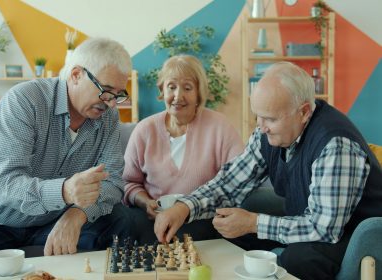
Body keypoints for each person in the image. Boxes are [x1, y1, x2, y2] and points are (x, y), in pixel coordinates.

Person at [154, 62, 382, 279]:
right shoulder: (269, 131)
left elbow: (323, 229)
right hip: (311, 226)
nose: (261, 127)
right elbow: (230, 183)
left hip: (353, 237)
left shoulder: (335, 145)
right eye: (258, 116)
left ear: (303, 112)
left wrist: (253, 223)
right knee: (229, 233)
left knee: (298, 259)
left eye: (270, 118)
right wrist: (184, 207)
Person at [0, 37, 133, 264]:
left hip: (54, 219)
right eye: (106, 90)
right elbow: (5, 183)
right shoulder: (25, 101)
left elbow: (112, 184)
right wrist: (64, 191)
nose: (111, 103)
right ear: (75, 75)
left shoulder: (108, 116)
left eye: (118, 94)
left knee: (121, 220)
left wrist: (77, 214)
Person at [122, 54, 244, 243]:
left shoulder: (220, 127)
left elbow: (238, 181)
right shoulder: (145, 130)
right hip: (153, 220)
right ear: (162, 90)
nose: (178, 96)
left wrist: (187, 210)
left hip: (204, 220)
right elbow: (128, 183)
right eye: (172, 87)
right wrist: (145, 202)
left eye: (187, 88)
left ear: (199, 94)